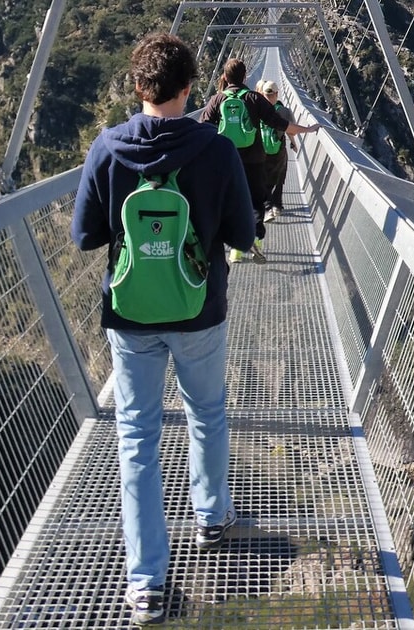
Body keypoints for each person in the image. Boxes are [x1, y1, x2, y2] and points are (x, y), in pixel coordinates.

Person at [71, 32, 255, 626]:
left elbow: (84, 237)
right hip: (199, 311)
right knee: (207, 413)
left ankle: (147, 584)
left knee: (137, 439)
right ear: (188, 87)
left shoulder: (108, 147)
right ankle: (212, 518)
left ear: (137, 86)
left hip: (130, 318)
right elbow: (244, 235)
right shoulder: (218, 149)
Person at [201, 60, 320, 262]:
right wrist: (307, 130)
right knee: (256, 202)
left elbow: (203, 128)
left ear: (224, 76)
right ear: (245, 76)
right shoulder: (254, 98)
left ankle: (236, 250)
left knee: (232, 201)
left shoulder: (217, 99)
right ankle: (256, 239)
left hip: (227, 159)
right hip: (255, 160)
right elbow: (280, 124)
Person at [256, 80, 297, 223]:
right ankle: (277, 205)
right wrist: (294, 143)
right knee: (280, 175)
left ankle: (267, 206)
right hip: (279, 148)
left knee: (263, 177)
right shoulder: (283, 110)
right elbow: (291, 129)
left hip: (262, 149)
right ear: (277, 93)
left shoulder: (258, 108)